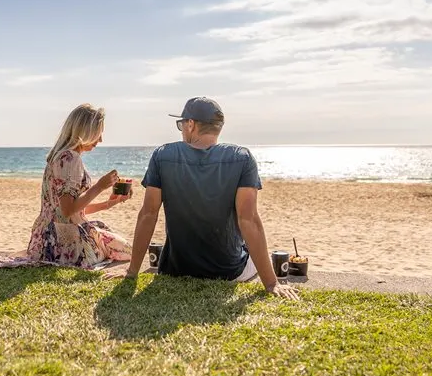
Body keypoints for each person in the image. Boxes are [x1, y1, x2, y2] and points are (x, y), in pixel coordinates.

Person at [121, 97, 299, 300]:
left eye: (181, 124)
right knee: (250, 247)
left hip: (176, 269)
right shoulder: (242, 157)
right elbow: (248, 220)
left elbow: (148, 214)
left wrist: (132, 272)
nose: (181, 130)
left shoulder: (162, 155)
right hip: (229, 272)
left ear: (191, 124)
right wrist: (272, 283)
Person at [26, 103, 133, 268]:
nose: (100, 140)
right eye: (98, 133)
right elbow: (67, 210)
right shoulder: (70, 158)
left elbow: (70, 212)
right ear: (85, 131)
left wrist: (109, 203)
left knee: (104, 232)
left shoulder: (59, 156)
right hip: (63, 242)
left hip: (44, 239)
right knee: (127, 250)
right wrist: (99, 187)